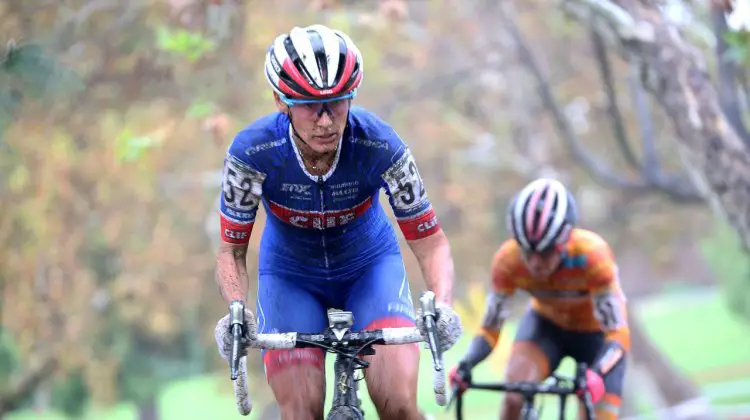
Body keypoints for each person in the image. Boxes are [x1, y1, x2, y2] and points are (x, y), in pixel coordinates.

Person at [212, 24, 462, 420]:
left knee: (397, 403)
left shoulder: (380, 144)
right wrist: (237, 309)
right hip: (290, 275)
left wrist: (443, 305)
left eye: (338, 102)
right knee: (299, 411)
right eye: (311, 105)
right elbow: (231, 250)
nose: (326, 121)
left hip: (369, 267)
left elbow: (430, 240)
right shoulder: (252, 153)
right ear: (282, 101)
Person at [449, 178, 629, 420]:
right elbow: (490, 329)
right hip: (547, 327)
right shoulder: (507, 261)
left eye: (544, 252)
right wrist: (466, 364)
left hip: (597, 339)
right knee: (514, 392)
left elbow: (617, 333)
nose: (534, 263)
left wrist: (597, 373)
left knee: (597, 412)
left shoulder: (593, 256)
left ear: (564, 242)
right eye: (527, 251)